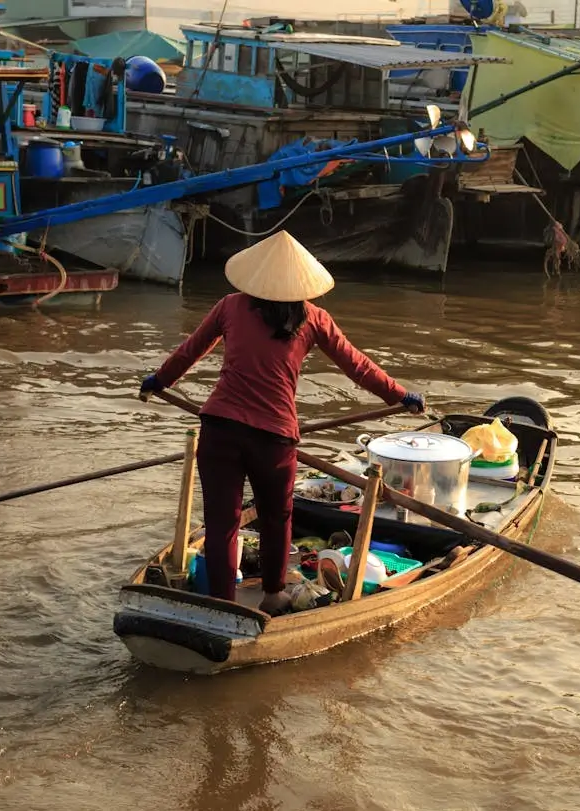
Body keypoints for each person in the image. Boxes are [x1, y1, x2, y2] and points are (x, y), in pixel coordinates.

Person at [139, 231, 424, 615]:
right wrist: (399, 395)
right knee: (277, 518)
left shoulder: (230, 306)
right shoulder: (313, 317)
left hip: (219, 430)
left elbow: (189, 351)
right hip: (273, 440)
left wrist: (159, 381)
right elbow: (357, 366)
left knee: (222, 523)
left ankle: (223, 606)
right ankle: (273, 594)